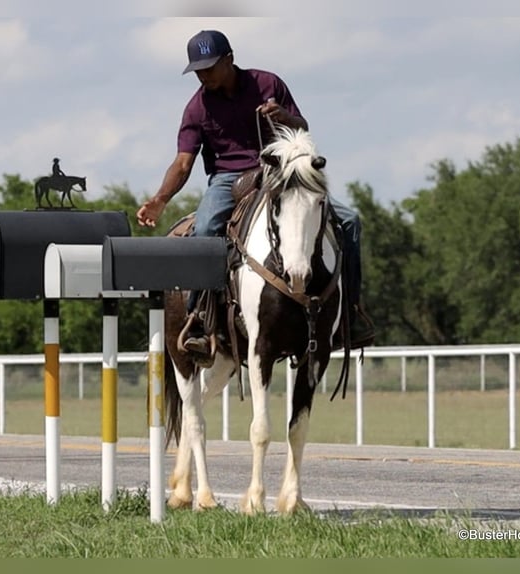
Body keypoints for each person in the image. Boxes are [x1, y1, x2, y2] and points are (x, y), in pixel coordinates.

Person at [136, 30, 374, 359]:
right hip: (227, 179)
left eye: (209, 67)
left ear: (229, 60)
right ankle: (200, 321)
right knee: (204, 230)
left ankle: (349, 315)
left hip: (276, 169)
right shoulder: (197, 108)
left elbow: (301, 127)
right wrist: (161, 199)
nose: (203, 76)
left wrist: (285, 118)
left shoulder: (268, 84)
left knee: (349, 221)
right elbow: (183, 162)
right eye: (198, 70)